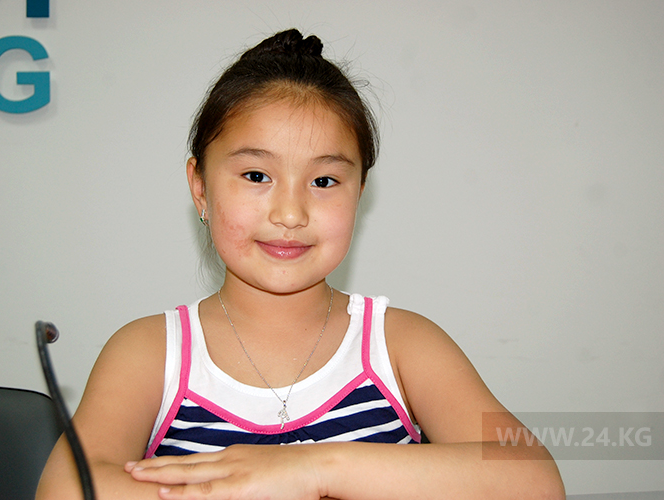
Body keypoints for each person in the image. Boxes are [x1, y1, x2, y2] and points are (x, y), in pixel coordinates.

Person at [36, 29, 565, 499]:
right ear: (199, 187)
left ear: (359, 192)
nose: (290, 214)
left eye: (324, 181)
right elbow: (65, 490)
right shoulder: (151, 352)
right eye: (256, 176)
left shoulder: (402, 346)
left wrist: (311, 469)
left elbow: (534, 481)